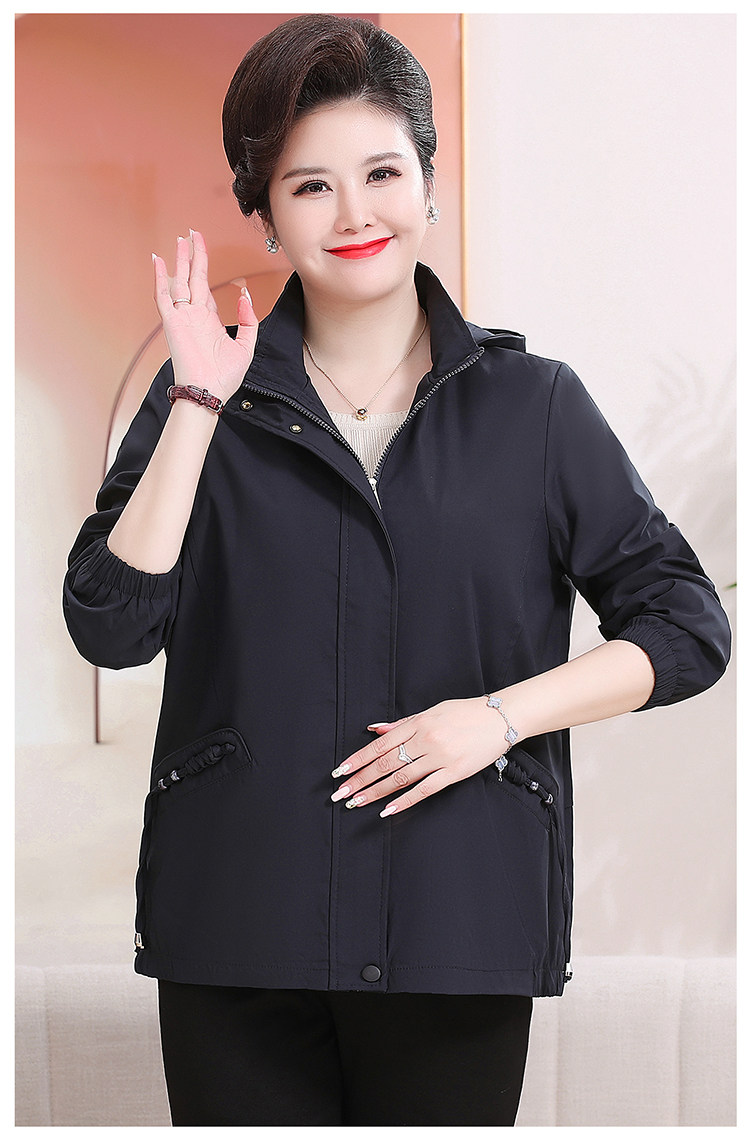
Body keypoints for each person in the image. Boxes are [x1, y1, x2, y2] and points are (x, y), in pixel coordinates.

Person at [62, 13, 731, 1127]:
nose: (354, 213)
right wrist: (197, 403)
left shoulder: (537, 407)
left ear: (429, 185)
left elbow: (685, 626)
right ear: (266, 215)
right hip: (241, 917)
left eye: (381, 173)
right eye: (310, 186)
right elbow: (110, 625)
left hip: (459, 915)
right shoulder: (204, 401)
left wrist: (500, 719)